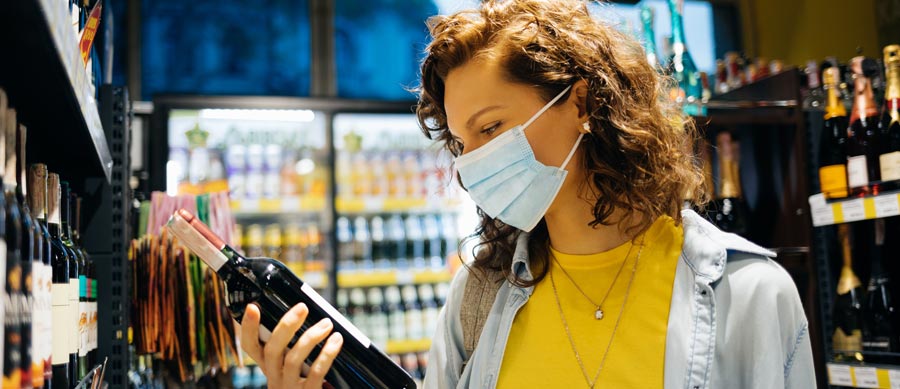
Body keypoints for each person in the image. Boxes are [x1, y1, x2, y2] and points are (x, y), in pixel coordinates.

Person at [238, 0, 815, 388]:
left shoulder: (751, 295)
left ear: (582, 103)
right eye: (462, 143)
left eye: (490, 128)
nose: (473, 164)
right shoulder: (476, 299)